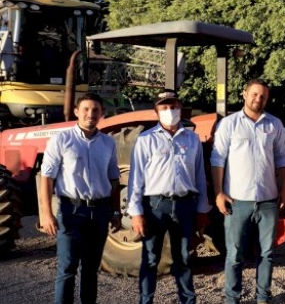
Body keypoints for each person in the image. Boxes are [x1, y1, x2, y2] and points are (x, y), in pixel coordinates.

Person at [127, 89, 211, 304]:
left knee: (183, 257)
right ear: (157, 111)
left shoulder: (192, 139)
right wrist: (136, 213)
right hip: (155, 206)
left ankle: (188, 301)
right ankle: (146, 301)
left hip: (185, 205)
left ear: (180, 108)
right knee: (151, 259)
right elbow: (136, 178)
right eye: (164, 107)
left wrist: (202, 209)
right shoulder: (146, 140)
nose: (170, 111)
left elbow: (200, 175)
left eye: (173, 106)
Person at [211, 78, 285, 304]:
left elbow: (281, 158)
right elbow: (217, 158)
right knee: (234, 255)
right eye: (254, 94)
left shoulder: (274, 124)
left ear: (267, 99)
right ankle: (231, 299)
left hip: (268, 200)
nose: (258, 99)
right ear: (244, 94)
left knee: (267, 253)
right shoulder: (229, 124)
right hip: (237, 201)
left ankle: (262, 298)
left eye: (263, 96)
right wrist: (218, 193)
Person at [39, 92, 121, 304]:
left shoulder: (108, 143)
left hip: (100, 213)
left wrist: (115, 211)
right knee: (67, 269)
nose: (90, 114)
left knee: (91, 269)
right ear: (76, 111)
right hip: (71, 211)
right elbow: (46, 177)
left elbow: (113, 179)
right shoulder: (61, 140)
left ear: (102, 113)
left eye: (95, 110)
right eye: (85, 109)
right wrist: (46, 214)